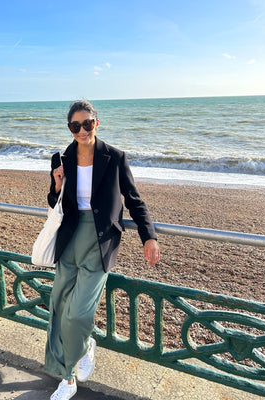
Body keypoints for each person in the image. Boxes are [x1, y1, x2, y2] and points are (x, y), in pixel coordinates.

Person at [45, 100, 160, 400]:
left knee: (77, 314)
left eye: (87, 124)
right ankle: (68, 373)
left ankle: (78, 360)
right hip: (69, 239)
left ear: (97, 122)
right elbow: (54, 202)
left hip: (99, 241)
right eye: (75, 126)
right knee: (58, 305)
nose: (82, 130)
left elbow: (134, 200)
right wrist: (57, 186)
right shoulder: (62, 159)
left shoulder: (115, 158)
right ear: (69, 129)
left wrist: (149, 236)